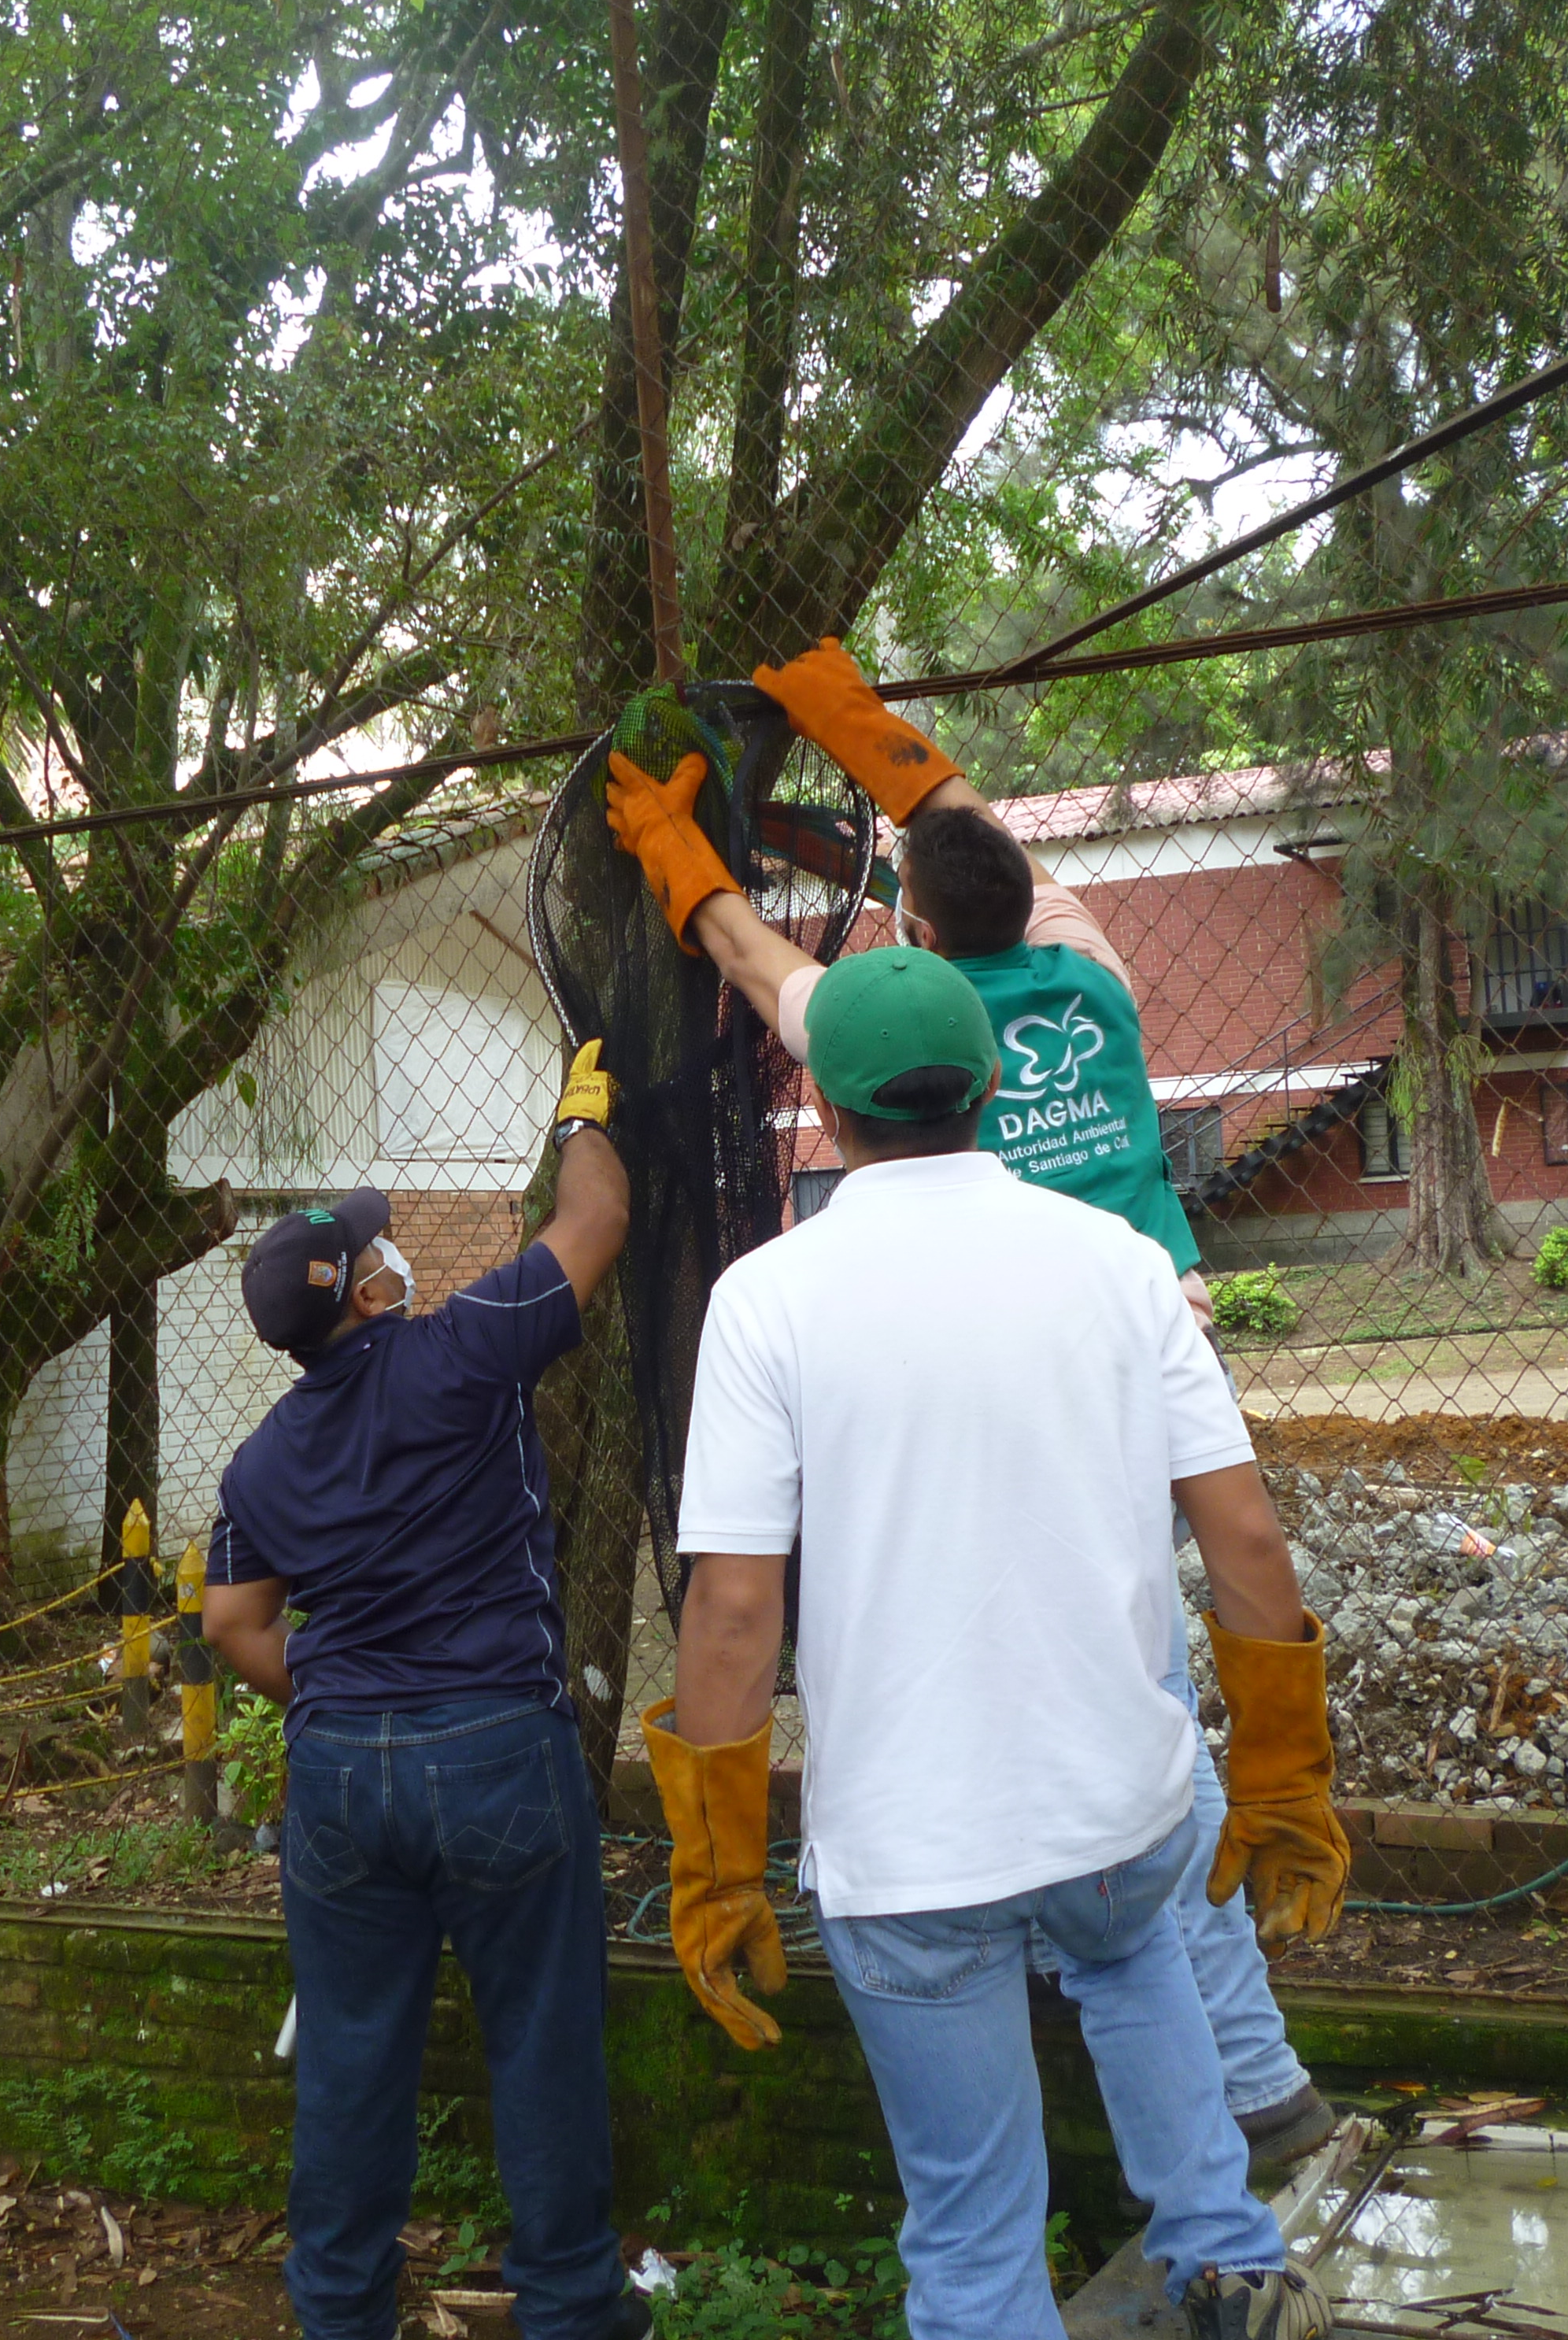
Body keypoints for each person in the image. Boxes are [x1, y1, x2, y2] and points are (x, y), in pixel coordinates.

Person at [601, 654, 1334, 2180]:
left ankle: (1253, 2082)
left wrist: (669, 844)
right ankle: (1222, 2076)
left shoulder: (870, 1030)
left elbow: (738, 944)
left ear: (913, 950)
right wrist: (868, 735)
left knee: (1120, 1705)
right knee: (1120, 1677)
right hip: (1136, 1353)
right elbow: (982, 846)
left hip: (1013, 1354)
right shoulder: (1094, 974)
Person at [643, 946, 1345, 2340]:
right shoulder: (1120, 1262)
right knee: (1133, 1957)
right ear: (989, 1087)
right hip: (1120, 1813)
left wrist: (716, 1861)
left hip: (911, 1851)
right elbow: (1248, 1541)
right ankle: (1229, 2259)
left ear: (827, 1111)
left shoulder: (768, 1298)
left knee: (971, 2234)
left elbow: (731, 1612)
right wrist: (1280, 1774)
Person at [198, 1044, 645, 2340]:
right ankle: (572, 2309)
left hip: (340, 1778)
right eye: (374, 1247)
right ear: (363, 1289)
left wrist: (343, 1694)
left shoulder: (259, 1464)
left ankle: (340, 2314)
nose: (392, 1250)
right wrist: (578, 1118)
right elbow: (596, 1221)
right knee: (542, 2038)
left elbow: (233, 1624)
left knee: (350, 2055)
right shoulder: (461, 1351)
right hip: (497, 1745)